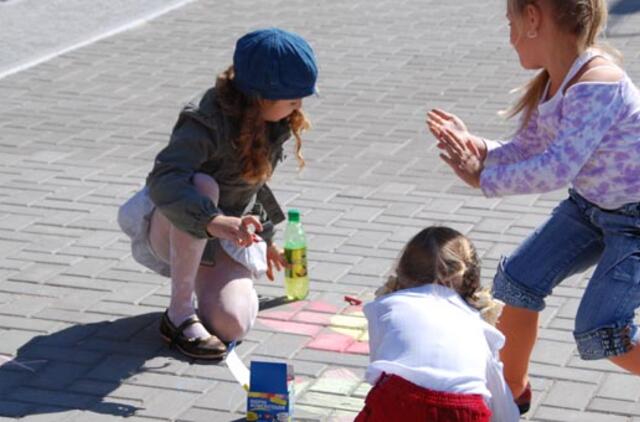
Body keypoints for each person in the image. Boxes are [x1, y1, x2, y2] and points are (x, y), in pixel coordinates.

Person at [427, 0, 640, 414]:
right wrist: (479, 149)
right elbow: (531, 148)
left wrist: (482, 177)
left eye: (510, 22)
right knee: (516, 283)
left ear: (533, 18)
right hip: (591, 207)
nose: (509, 37)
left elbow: (556, 168)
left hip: (634, 221)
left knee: (601, 329)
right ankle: (512, 392)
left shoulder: (598, 83)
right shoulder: (560, 80)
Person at [117, 28, 318, 360]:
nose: (299, 105)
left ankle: (210, 284)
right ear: (259, 96)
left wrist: (265, 237)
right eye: (292, 97)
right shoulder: (205, 119)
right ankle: (179, 313)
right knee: (203, 184)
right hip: (173, 223)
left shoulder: (273, 119)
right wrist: (212, 219)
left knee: (233, 324)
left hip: (223, 233)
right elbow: (165, 179)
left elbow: (251, 184)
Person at [356, 226, 520, 422]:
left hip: (399, 400)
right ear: (469, 277)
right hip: (463, 409)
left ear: (402, 272)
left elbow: (379, 366)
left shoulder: (386, 305)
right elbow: (497, 391)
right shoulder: (475, 322)